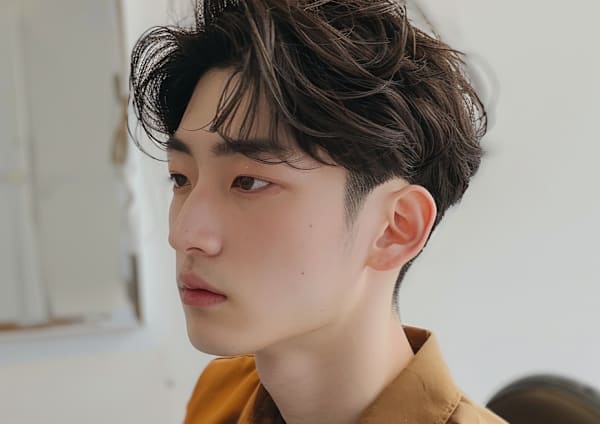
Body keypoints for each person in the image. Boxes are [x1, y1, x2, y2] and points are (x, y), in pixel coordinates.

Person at [129, 0, 506, 422]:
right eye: (181, 178)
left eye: (248, 182)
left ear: (394, 228)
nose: (183, 234)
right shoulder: (221, 396)